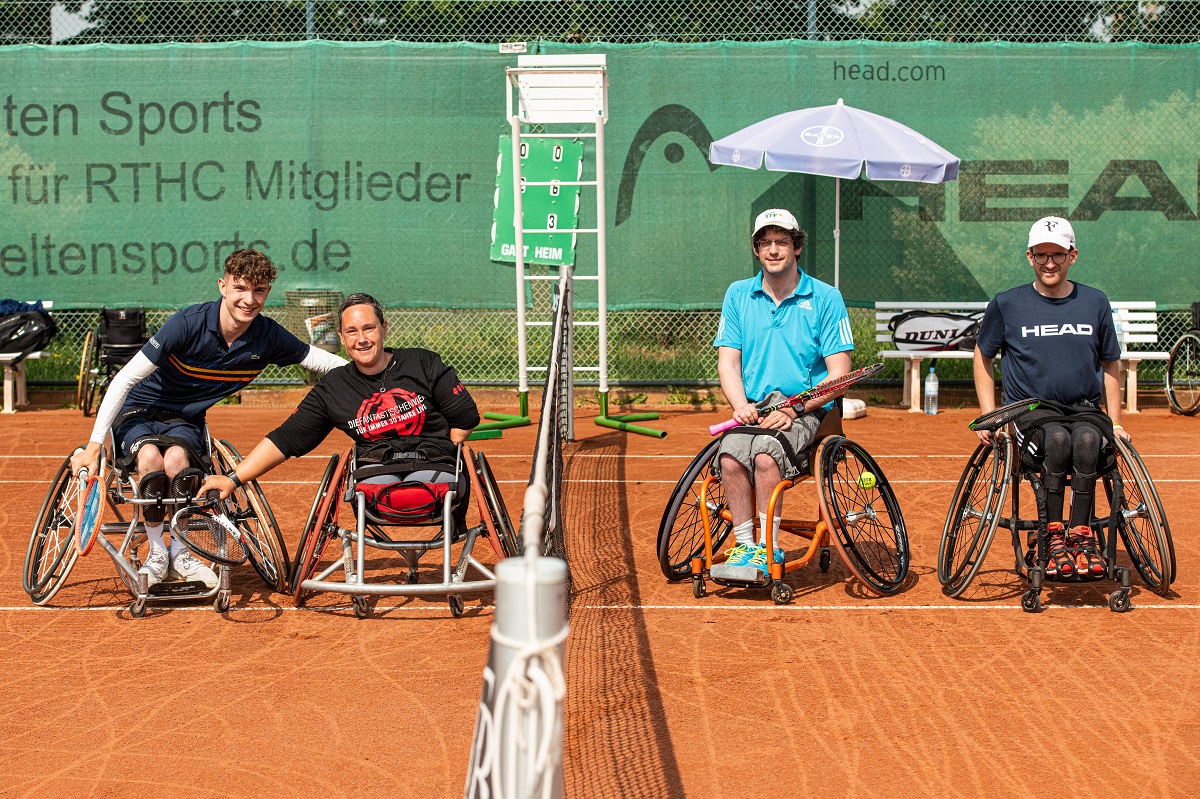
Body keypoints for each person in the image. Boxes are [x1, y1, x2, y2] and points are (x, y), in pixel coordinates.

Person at [69, 249, 347, 589]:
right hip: (138, 411)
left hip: (184, 421)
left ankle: (181, 554)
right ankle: (158, 553)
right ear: (223, 286)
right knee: (150, 459)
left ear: (267, 293)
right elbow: (124, 380)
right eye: (240, 288)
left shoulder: (267, 336)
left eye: (258, 291)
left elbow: (319, 360)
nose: (248, 299)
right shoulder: (187, 324)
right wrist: (96, 445)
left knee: (177, 462)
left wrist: (380, 370)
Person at [198, 292, 480, 542]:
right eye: (352, 332)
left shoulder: (422, 362)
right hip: (376, 477)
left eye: (369, 328)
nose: (362, 339)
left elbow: (464, 417)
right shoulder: (335, 387)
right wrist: (234, 479)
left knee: (439, 472)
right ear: (342, 337)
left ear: (384, 328)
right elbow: (286, 438)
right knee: (369, 484)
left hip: (436, 472)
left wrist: (446, 451)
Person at [973, 216, 1128, 578]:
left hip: (1084, 409)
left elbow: (1110, 365)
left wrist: (1117, 423)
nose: (1049, 263)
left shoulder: (1095, 302)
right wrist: (989, 415)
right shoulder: (1007, 304)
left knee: (1089, 439)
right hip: (1031, 413)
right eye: (1041, 255)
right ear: (1030, 257)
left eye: (1057, 255)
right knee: (1057, 439)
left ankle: (1081, 536)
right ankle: (1051, 536)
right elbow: (982, 358)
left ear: (1072, 256)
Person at [710, 209, 854, 582]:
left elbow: (840, 376)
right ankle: (746, 547)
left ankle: (769, 549)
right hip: (757, 408)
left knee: (764, 456)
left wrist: (796, 407)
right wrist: (740, 405)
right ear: (757, 250)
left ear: (797, 247)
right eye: (766, 243)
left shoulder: (826, 297)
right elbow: (728, 364)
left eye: (782, 242)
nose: (774, 250)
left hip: (809, 408)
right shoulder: (738, 294)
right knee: (728, 456)